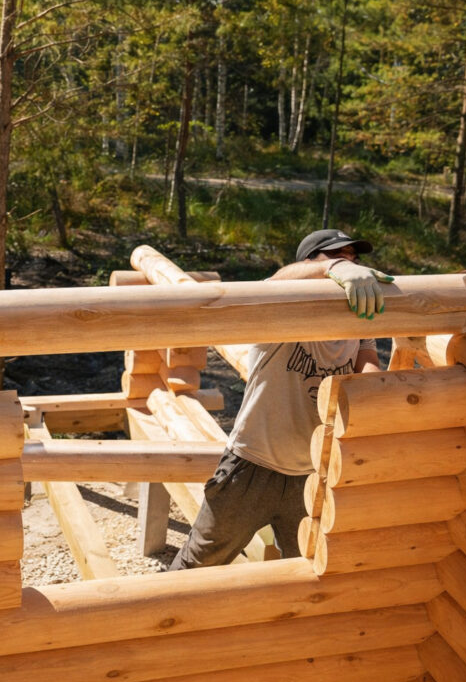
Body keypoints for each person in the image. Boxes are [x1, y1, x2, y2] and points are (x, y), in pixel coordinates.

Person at [168, 229, 394, 570]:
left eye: (353, 259)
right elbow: (271, 283)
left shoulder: (355, 318)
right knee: (199, 565)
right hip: (252, 467)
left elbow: (367, 370)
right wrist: (330, 271)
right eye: (334, 256)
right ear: (308, 264)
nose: (348, 263)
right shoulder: (279, 312)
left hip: (315, 471)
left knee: (309, 570)